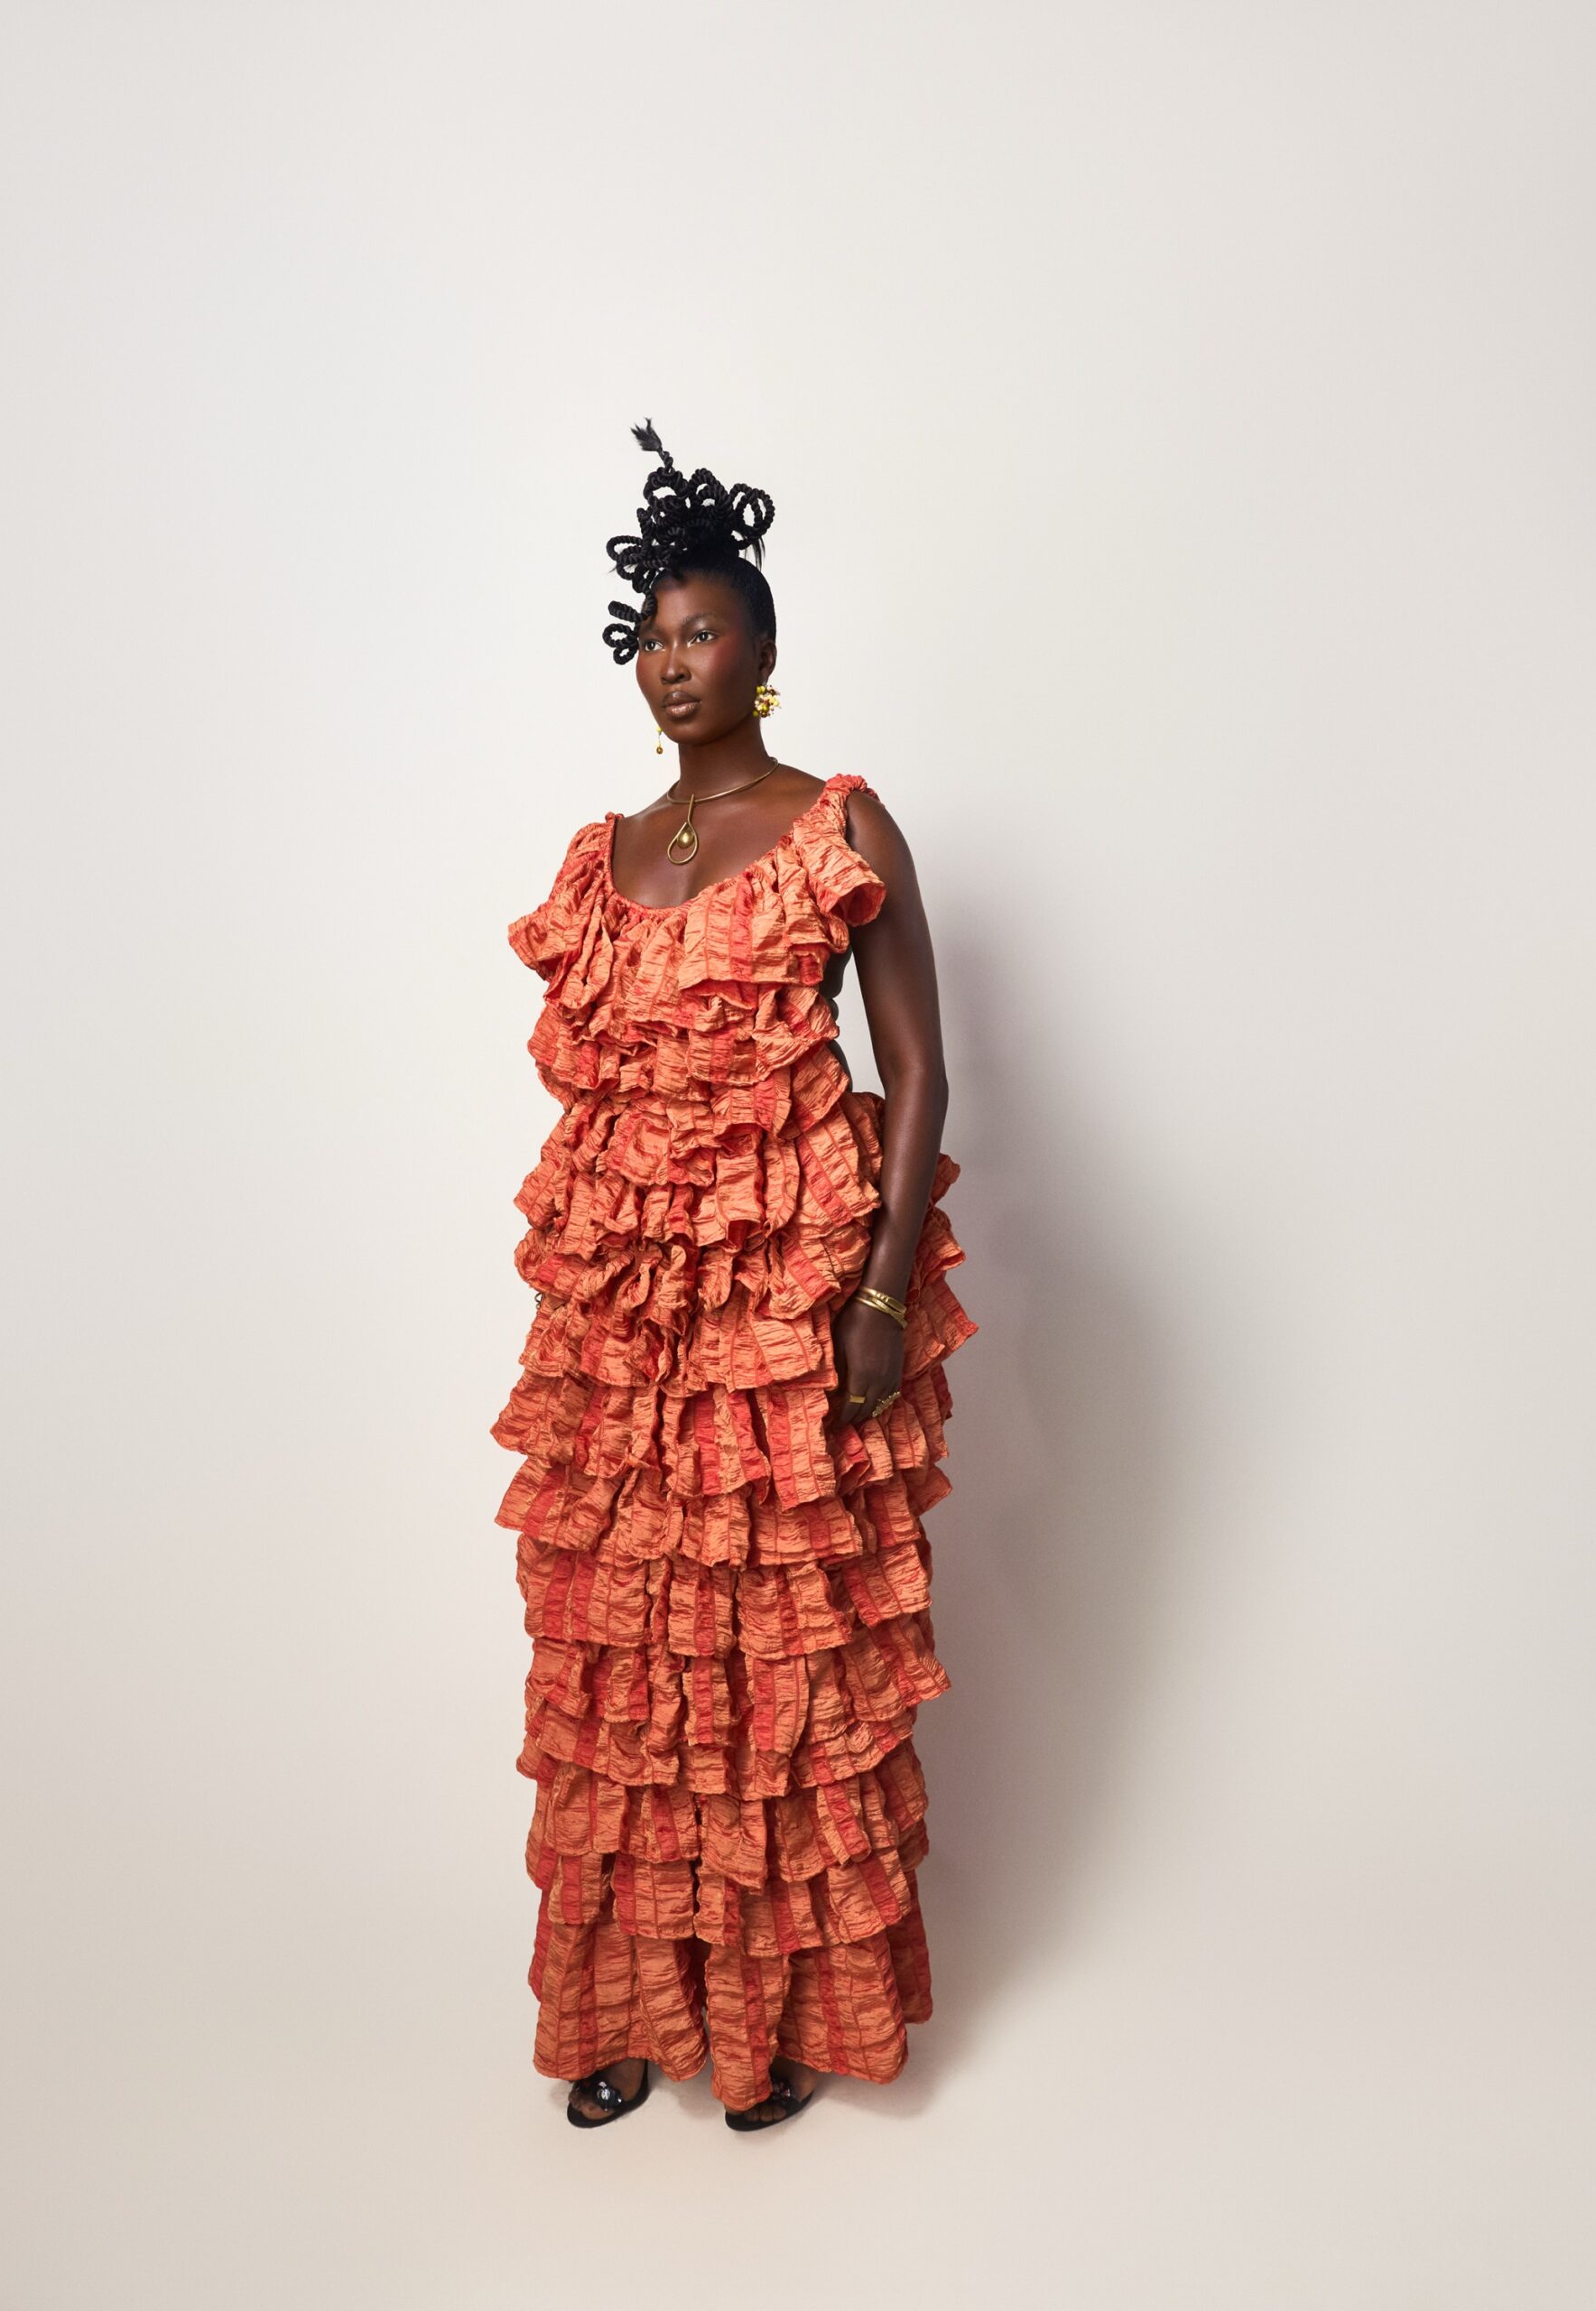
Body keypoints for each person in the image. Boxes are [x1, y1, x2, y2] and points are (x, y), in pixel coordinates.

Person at [494, 422, 977, 2130]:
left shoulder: (837, 823)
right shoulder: (602, 859)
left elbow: (919, 1072)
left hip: (782, 1323)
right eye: (653, 635)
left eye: (705, 630)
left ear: (764, 650)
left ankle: (767, 2026)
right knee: (628, 1666)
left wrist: (884, 1296)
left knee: (774, 1672)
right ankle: (628, 2007)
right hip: (621, 1336)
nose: (674, 659)